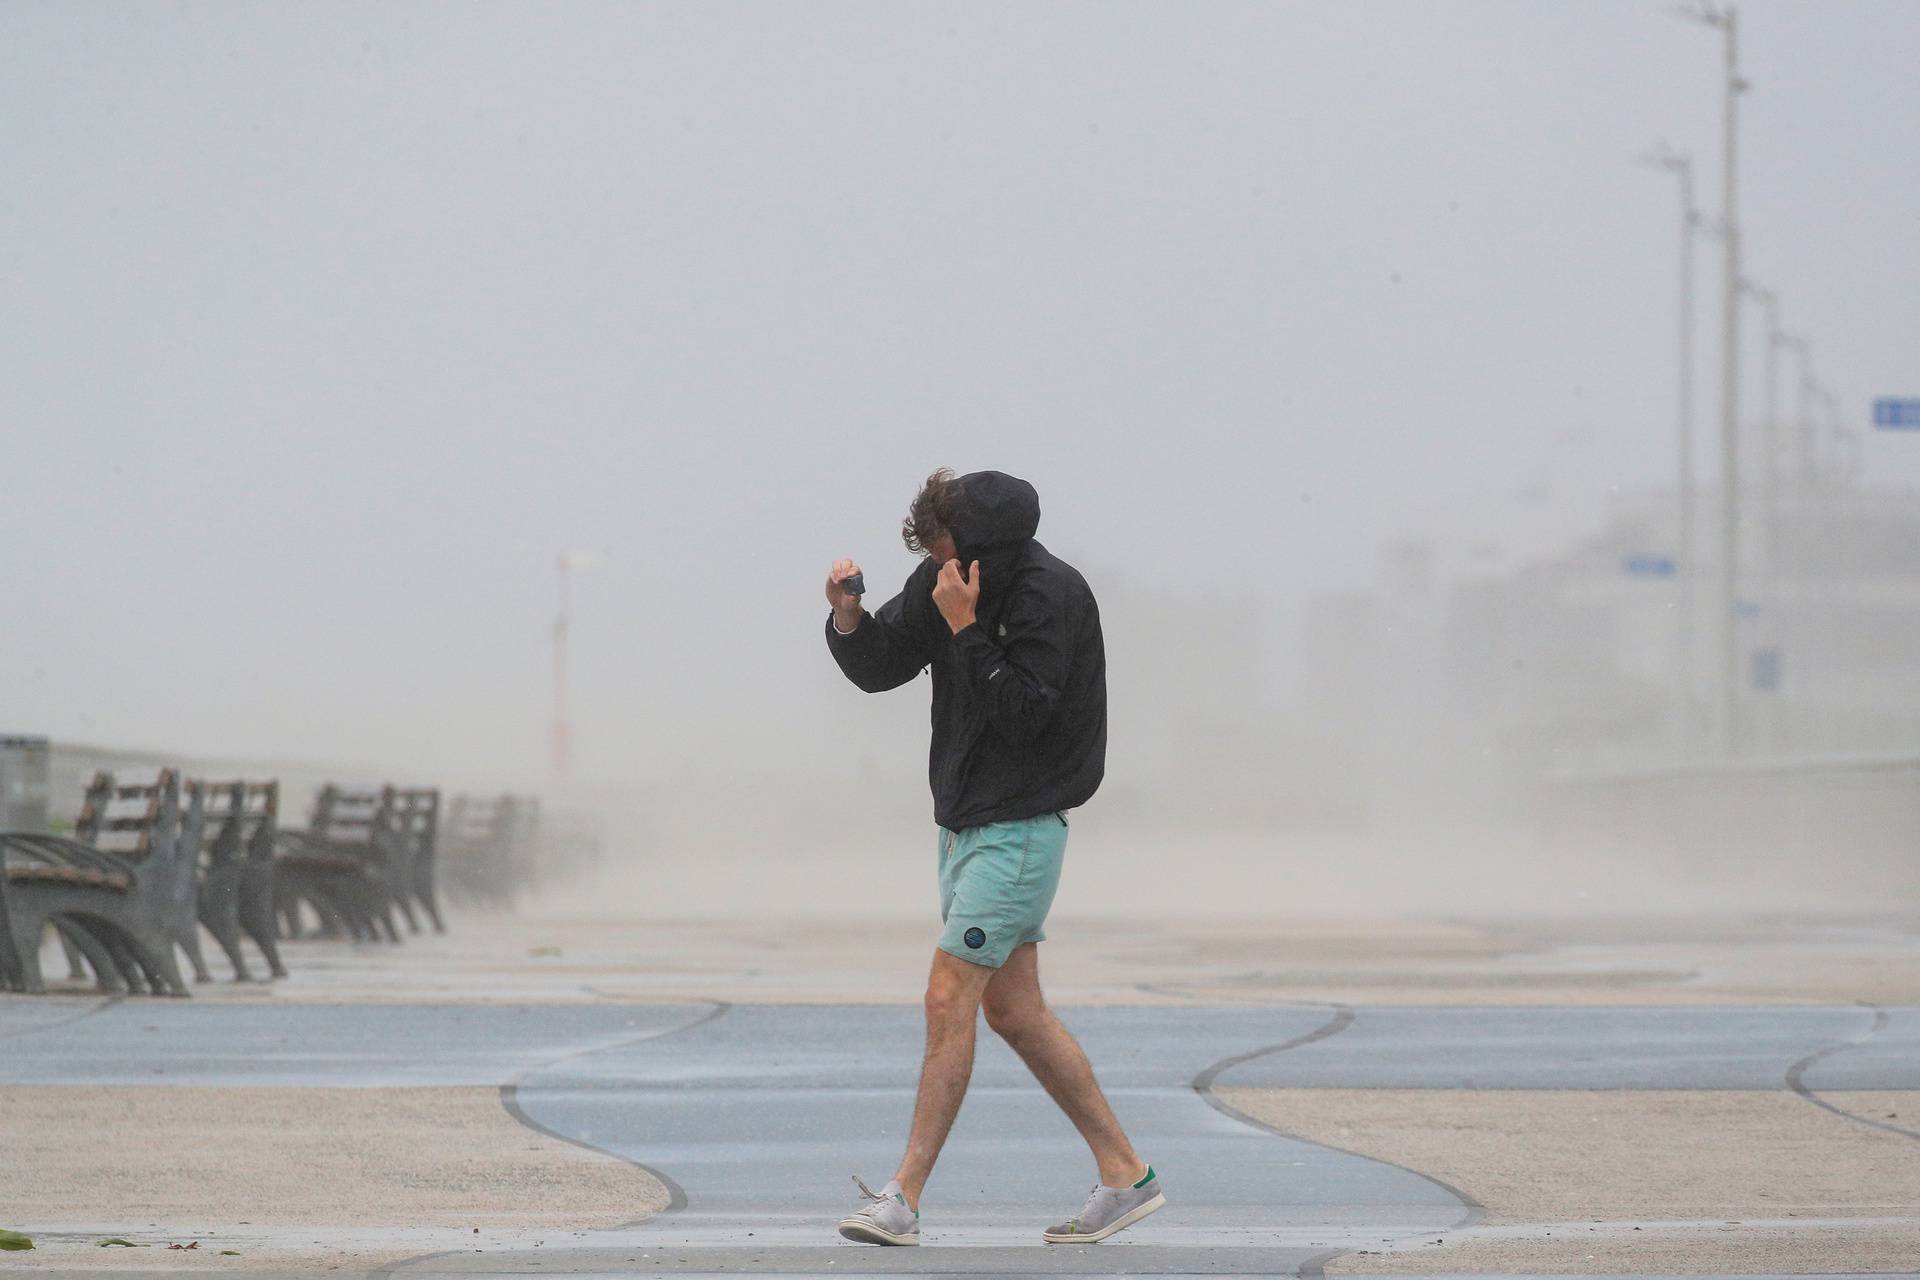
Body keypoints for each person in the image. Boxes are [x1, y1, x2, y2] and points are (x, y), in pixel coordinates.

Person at [822, 468, 1164, 1247]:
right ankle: (1125, 1174)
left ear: (985, 550)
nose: (938, 568)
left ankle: (902, 1198)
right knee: (1015, 1010)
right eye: (931, 555)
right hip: (966, 827)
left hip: (1020, 829)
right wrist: (848, 619)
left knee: (950, 997)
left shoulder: (1050, 596)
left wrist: (968, 629)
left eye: (946, 554)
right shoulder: (945, 578)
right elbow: (883, 666)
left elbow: (1025, 718)